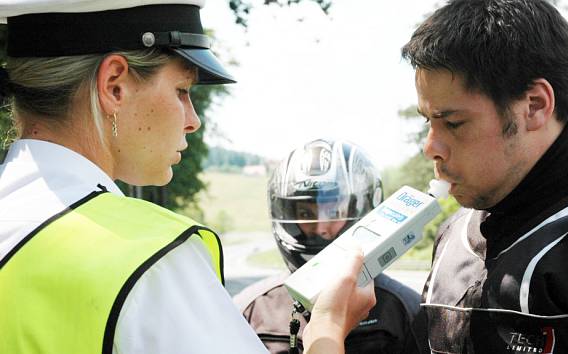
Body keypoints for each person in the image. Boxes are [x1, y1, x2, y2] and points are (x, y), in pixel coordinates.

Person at [0, 1, 375, 353]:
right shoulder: (147, 258)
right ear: (114, 84)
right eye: (181, 91)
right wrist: (326, 329)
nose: (193, 119)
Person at [400, 0, 568, 352]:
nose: (431, 146)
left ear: (534, 106)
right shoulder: (453, 235)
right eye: (428, 121)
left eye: (453, 123)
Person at [234, 138, 425, 354]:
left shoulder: (406, 309)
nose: (321, 228)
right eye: (306, 213)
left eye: (335, 212)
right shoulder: (250, 310)